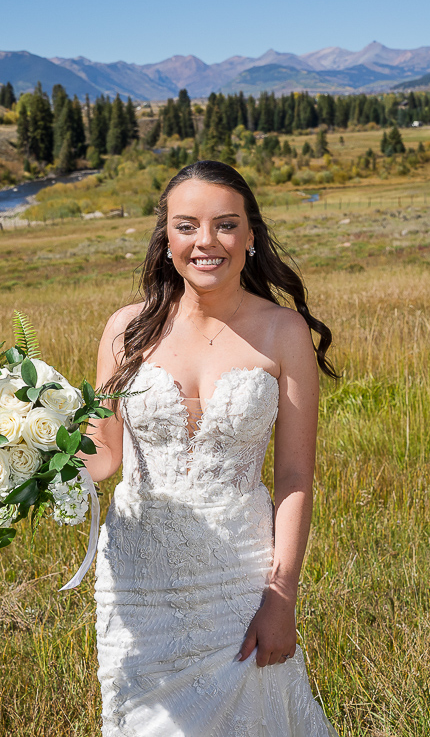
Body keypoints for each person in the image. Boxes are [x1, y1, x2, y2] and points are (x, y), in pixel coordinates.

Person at [85, 160, 339, 735]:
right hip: (139, 579)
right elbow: (103, 456)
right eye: (186, 226)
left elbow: (295, 477)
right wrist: (22, 454)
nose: (206, 242)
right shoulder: (127, 329)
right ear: (166, 237)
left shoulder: (283, 332)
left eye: (226, 225)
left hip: (240, 578)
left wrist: (281, 595)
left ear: (250, 237)